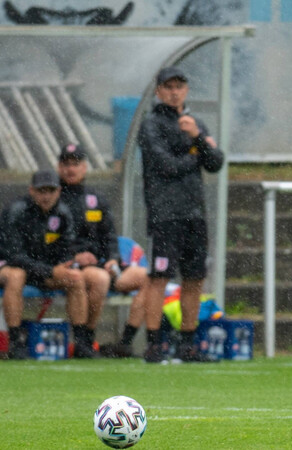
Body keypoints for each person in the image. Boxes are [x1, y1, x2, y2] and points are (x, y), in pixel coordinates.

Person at [137, 66, 224, 363]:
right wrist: (196, 154)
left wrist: (197, 139)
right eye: (168, 86)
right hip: (165, 214)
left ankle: (188, 344)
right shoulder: (151, 124)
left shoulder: (194, 123)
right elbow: (166, 166)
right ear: (159, 90)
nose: (174, 92)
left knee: (194, 278)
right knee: (159, 277)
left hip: (194, 213)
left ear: (186, 90)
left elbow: (216, 162)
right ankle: (153, 344)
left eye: (180, 86)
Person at [56, 143, 150, 358]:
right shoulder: (53, 197)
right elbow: (51, 240)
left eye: (76, 164)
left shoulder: (96, 198)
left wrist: (113, 259)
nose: (71, 169)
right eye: (66, 164)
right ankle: (86, 340)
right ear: (59, 167)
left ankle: (125, 342)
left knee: (148, 277)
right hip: (77, 267)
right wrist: (74, 257)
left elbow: (109, 235)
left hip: (103, 264)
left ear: (85, 167)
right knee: (99, 279)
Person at [0, 169, 97, 359]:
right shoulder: (16, 211)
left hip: (42, 270)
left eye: (50, 191)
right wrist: (51, 270)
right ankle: (16, 343)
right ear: (32, 191)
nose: (46, 196)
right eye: (41, 191)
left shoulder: (63, 214)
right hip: (9, 266)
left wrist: (62, 268)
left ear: (58, 191)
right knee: (16, 275)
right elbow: (14, 256)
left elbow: (67, 249)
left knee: (75, 278)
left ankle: (81, 343)